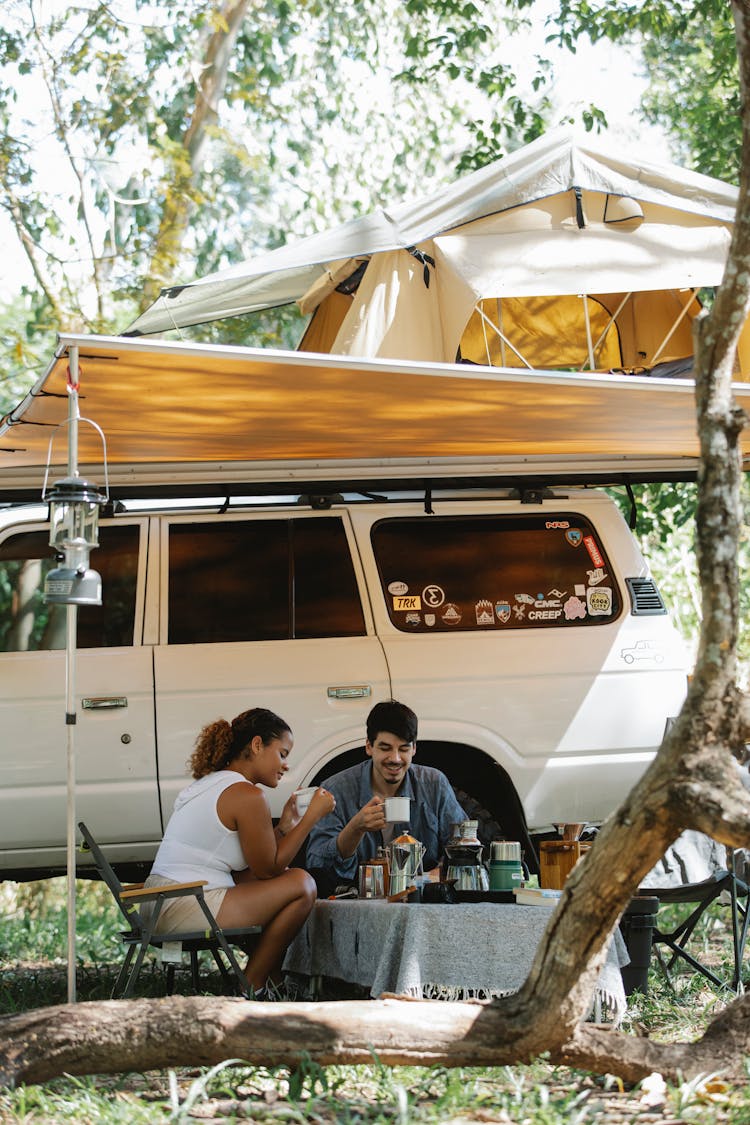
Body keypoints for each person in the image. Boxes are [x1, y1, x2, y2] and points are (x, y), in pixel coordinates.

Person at [143, 706, 335, 998]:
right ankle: (252, 987)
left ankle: (273, 982)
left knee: (277, 885)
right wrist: (311, 819)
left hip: (157, 903)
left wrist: (283, 828)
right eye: (282, 754)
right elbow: (269, 869)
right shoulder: (248, 795)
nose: (285, 765)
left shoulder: (211, 783)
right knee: (302, 885)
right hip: (182, 903)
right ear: (257, 745)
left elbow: (256, 865)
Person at [305, 699, 467, 889]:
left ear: (414, 748)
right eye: (385, 748)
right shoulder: (337, 789)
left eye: (404, 749)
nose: (395, 759)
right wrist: (354, 829)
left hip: (423, 902)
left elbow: (464, 847)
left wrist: (433, 876)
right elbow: (316, 865)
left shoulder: (434, 783)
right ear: (368, 746)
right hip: (358, 903)